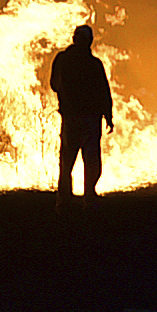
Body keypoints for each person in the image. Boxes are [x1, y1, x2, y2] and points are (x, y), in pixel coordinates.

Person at [49, 24, 113, 210]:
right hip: (89, 119)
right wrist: (107, 115)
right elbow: (103, 92)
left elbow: (55, 84)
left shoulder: (62, 60)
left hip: (71, 118)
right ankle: (89, 199)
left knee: (67, 160)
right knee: (91, 160)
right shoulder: (94, 64)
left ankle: (64, 201)